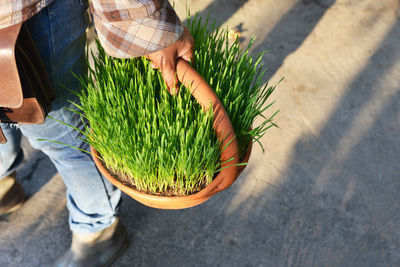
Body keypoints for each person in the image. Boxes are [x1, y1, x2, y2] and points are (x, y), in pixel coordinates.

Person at [0, 0, 194, 265]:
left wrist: (149, 29)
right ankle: (4, 184)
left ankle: (98, 231)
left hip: (29, 18)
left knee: (62, 134)